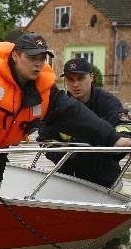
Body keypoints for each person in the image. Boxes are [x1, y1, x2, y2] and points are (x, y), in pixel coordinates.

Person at [0, 33, 131, 193]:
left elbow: (76, 114)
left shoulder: (46, 91)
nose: (38, 63)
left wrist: (113, 138)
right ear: (15, 55)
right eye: (32, 57)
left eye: (42, 57)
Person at [37, 57, 131, 189]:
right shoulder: (57, 107)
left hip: (107, 183)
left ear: (91, 77)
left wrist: (122, 144)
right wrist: (67, 154)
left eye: (80, 78)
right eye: (70, 79)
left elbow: (124, 129)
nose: (75, 84)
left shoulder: (109, 102)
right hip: (69, 182)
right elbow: (44, 140)